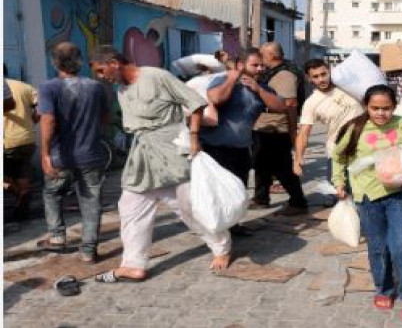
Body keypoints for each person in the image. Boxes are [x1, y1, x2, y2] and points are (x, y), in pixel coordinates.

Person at [90, 46, 231, 282]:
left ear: (114, 62)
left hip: (171, 151)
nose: (101, 76)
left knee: (189, 208)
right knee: (130, 206)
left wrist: (194, 138)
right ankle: (133, 264)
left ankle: (221, 248)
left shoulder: (157, 76)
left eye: (101, 70)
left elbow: (196, 103)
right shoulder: (122, 89)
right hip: (142, 155)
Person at [333, 84, 402, 326]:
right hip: (367, 197)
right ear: (366, 107)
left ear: (395, 106)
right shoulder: (355, 128)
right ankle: (384, 288)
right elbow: (338, 157)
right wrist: (339, 182)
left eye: (387, 108)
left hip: (397, 193)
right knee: (378, 247)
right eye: (375, 108)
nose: (381, 114)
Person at [202, 48, 286, 236]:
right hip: (215, 147)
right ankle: (217, 232)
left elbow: (280, 106)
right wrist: (233, 78)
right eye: (254, 65)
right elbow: (215, 98)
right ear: (241, 65)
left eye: (262, 65)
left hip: (241, 148)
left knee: (237, 192)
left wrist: (259, 90)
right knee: (217, 192)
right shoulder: (223, 80)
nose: (260, 69)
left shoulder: (262, 87)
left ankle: (233, 226)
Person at [37, 43, 109, 262]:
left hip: (62, 155)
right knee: (91, 200)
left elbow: (48, 120)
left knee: (52, 193)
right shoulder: (95, 87)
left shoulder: (48, 88)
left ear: (54, 62)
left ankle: (57, 237)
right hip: (91, 154)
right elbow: (104, 118)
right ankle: (88, 250)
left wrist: (45, 153)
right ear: (79, 62)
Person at [252, 42, 308, 212]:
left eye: (263, 55)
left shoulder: (284, 75)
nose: (261, 59)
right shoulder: (269, 74)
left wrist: (292, 131)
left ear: (273, 56)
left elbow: (290, 104)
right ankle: (261, 198)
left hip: (277, 128)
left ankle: (298, 202)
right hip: (264, 127)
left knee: (282, 167)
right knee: (261, 165)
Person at [293, 59, 364, 183]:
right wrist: (298, 157)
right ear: (309, 78)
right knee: (338, 193)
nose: (321, 79)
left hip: (364, 148)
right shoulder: (311, 103)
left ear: (329, 71)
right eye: (315, 76)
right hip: (337, 152)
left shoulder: (348, 86)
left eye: (323, 74)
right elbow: (304, 133)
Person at [3, 65, 39, 222]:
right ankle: (22, 196)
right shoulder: (25, 87)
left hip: (6, 141)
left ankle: (18, 193)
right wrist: (32, 121)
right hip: (27, 139)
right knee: (21, 171)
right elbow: (42, 107)